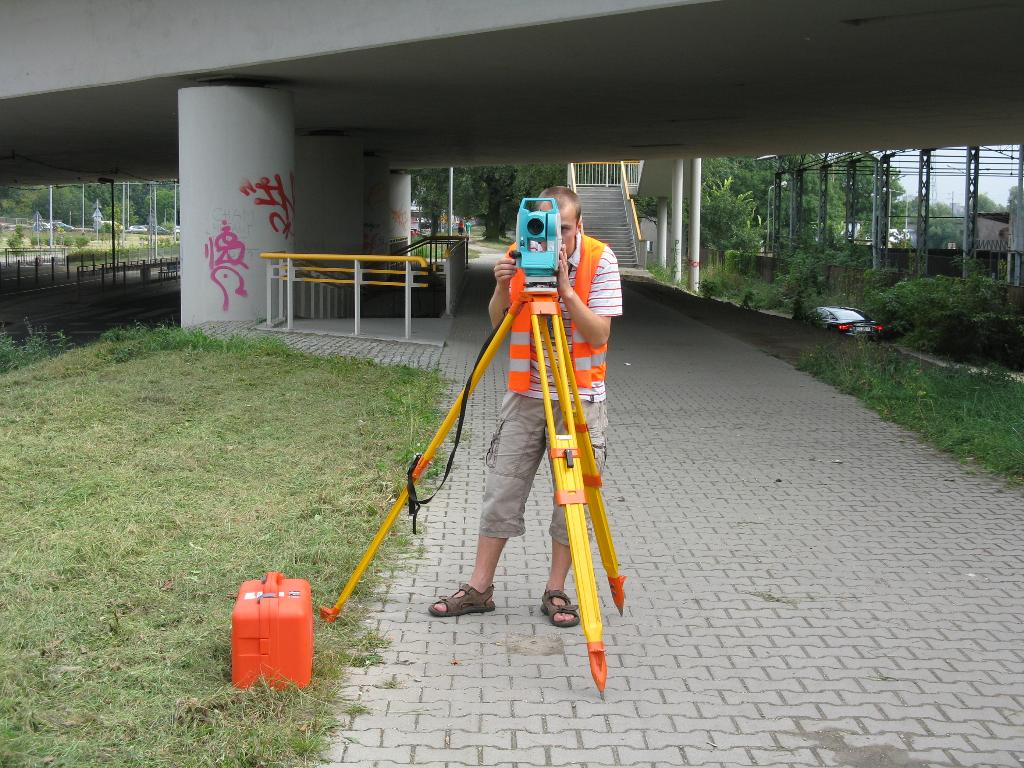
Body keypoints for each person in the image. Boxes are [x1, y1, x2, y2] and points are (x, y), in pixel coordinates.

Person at [429, 186, 622, 627]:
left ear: (578, 226)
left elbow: (599, 335)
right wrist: (502, 285)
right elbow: (499, 321)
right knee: (502, 489)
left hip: (579, 399)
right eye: (540, 228)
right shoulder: (521, 253)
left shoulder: (601, 259)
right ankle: (479, 588)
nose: (551, 238)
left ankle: (556, 591)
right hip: (526, 396)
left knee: (570, 502)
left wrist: (566, 291)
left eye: (564, 229)